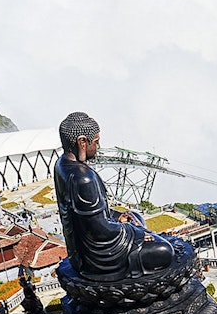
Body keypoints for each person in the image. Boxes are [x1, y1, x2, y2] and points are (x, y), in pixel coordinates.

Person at [53, 112, 176, 281]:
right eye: (95, 142)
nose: (98, 146)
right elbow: (100, 231)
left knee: (135, 215)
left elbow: (92, 216)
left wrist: (119, 217)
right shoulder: (83, 178)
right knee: (164, 251)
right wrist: (137, 233)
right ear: (82, 142)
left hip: (79, 253)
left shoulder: (61, 165)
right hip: (97, 260)